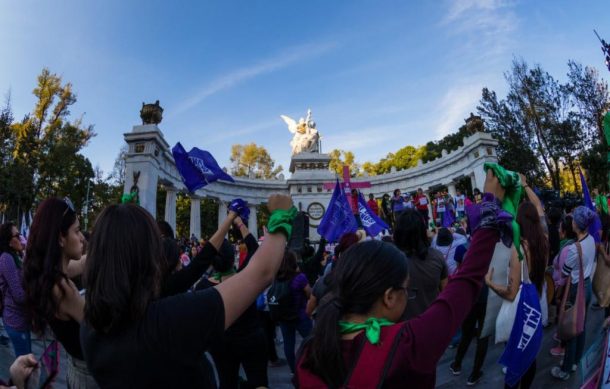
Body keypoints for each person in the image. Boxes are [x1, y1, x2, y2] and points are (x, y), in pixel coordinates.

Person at [295, 170, 506, 387]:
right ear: (389, 297)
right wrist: (490, 208)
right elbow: (465, 282)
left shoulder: (308, 351)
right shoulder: (408, 344)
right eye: (406, 289)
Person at [80, 194, 294, 388]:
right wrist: (281, 214)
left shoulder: (89, 325)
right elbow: (262, 273)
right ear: (146, 258)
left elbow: (200, 262)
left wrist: (229, 219)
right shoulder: (168, 322)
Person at [22, 198, 95, 388]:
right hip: (88, 374)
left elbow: (80, 264)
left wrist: (108, 247)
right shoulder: (63, 289)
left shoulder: (51, 274)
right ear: (61, 238)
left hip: (75, 367)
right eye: (77, 231)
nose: (82, 238)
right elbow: (101, 327)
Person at [195, 214, 268, 389]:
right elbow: (254, 249)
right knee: (259, 383)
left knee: (227, 383)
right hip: (252, 339)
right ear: (231, 257)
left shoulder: (202, 287)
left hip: (221, 343)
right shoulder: (245, 277)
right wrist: (239, 223)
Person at [550, 206, 596, 381]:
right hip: (588, 286)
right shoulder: (590, 240)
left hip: (576, 290)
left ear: (578, 224)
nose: (572, 221)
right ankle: (575, 361)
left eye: (574, 219)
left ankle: (566, 369)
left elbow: (564, 273)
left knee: (570, 330)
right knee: (581, 326)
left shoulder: (574, 249)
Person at [393, 208, 448, 319]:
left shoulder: (389, 262)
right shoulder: (437, 256)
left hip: (403, 330)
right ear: (423, 230)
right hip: (434, 322)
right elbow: (446, 293)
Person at [273, 250, 312, 374]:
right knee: (311, 341)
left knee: (288, 344)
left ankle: (294, 370)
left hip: (283, 316)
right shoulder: (300, 278)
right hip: (301, 316)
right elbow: (309, 293)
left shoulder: (277, 277)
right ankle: (310, 366)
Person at [0, 223, 31, 357]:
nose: (21, 238)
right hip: (15, 320)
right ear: (9, 241)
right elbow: (19, 295)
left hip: (22, 319)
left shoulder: (17, 256)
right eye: (17, 235)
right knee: (25, 364)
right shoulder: (6, 258)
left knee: (27, 361)